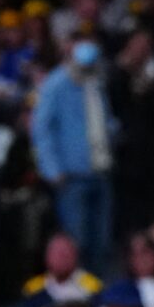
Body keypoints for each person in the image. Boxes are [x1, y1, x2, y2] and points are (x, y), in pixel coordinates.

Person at [34, 40, 119, 273]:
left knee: (102, 241)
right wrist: (52, 169)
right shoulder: (56, 84)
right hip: (72, 175)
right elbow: (42, 128)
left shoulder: (96, 81)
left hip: (101, 170)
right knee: (77, 241)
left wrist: (113, 133)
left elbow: (103, 118)